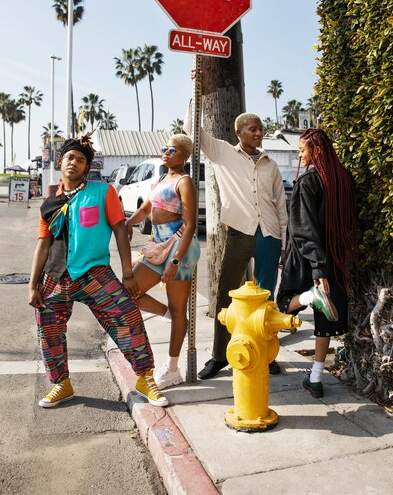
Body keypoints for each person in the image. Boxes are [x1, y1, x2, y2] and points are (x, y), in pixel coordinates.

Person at [28, 133, 168, 409]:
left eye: (81, 160)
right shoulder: (49, 204)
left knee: (128, 317)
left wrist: (127, 274)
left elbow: (119, 229)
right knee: (49, 330)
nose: (74, 163)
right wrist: (33, 285)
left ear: (87, 167)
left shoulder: (103, 192)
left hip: (95, 274)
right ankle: (61, 384)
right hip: (55, 276)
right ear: (60, 161)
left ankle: (144, 378)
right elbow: (43, 245)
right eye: (70, 157)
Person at [183, 95, 288, 380]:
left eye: (260, 128)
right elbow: (194, 132)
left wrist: (283, 241)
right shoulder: (222, 153)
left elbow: (280, 205)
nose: (258, 133)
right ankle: (219, 356)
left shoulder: (270, 164)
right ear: (238, 132)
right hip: (239, 233)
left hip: (269, 235)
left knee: (267, 298)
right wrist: (194, 96)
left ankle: (267, 354)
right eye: (252, 128)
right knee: (226, 294)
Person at [277, 128, 356, 398]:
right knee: (324, 323)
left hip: (308, 257)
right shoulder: (344, 178)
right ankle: (316, 378)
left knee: (285, 303)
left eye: (302, 150)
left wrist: (316, 270)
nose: (300, 155)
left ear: (316, 150)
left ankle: (311, 296)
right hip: (335, 256)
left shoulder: (309, 181)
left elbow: (303, 229)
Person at [126, 134, 200, 390]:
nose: (166, 152)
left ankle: (172, 369)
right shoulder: (160, 179)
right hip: (157, 247)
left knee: (180, 309)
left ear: (185, 156)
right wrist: (127, 223)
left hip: (180, 250)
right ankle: (168, 314)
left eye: (173, 149)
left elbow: (191, 225)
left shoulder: (184, 182)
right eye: (165, 148)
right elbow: (146, 210)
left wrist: (175, 262)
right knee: (128, 293)